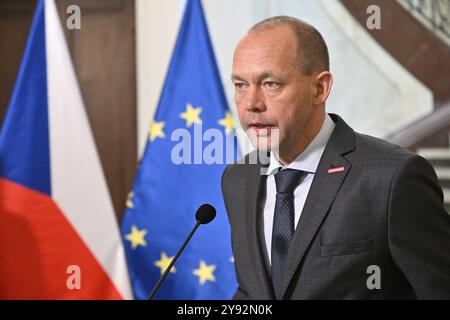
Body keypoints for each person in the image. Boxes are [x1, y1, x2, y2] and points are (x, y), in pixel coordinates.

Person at [221, 16, 450, 299]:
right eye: (240, 85)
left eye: (270, 83)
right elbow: (253, 292)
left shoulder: (393, 178)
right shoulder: (238, 179)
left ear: (319, 88)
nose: (251, 104)